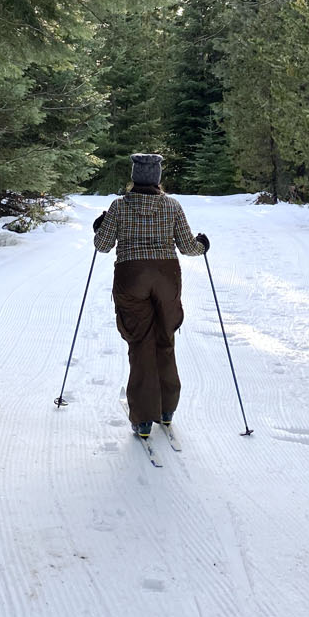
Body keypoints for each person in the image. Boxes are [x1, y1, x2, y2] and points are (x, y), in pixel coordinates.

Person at [92, 153, 209, 439]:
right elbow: (188, 247)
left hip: (131, 276)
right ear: (157, 178)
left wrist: (99, 227)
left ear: (134, 177)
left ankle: (144, 419)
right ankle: (167, 411)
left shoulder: (119, 206)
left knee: (140, 342)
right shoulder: (172, 205)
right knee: (164, 338)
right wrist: (203, 246)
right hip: (166, 277)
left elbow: (103, 246)